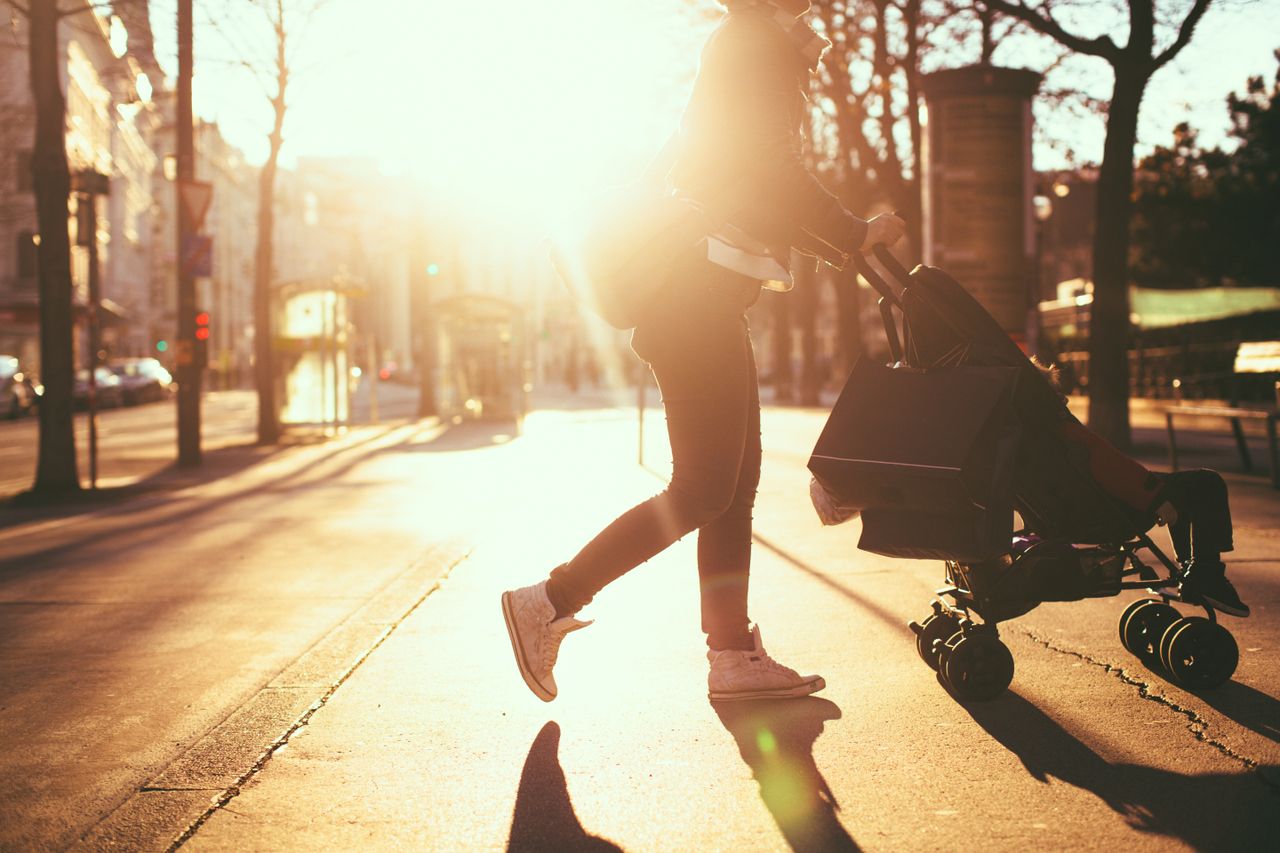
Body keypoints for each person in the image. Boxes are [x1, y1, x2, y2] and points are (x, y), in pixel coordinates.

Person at [501, 0, 906, 703]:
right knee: (704, 486)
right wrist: (851, 232)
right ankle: (549, 598)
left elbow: (755, 189)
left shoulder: (755, 42)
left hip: (708, 292)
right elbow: (771, 171)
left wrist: (846, 241)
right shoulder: (752, 42)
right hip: (691, 293)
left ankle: (730, 654)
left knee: (731, 486)